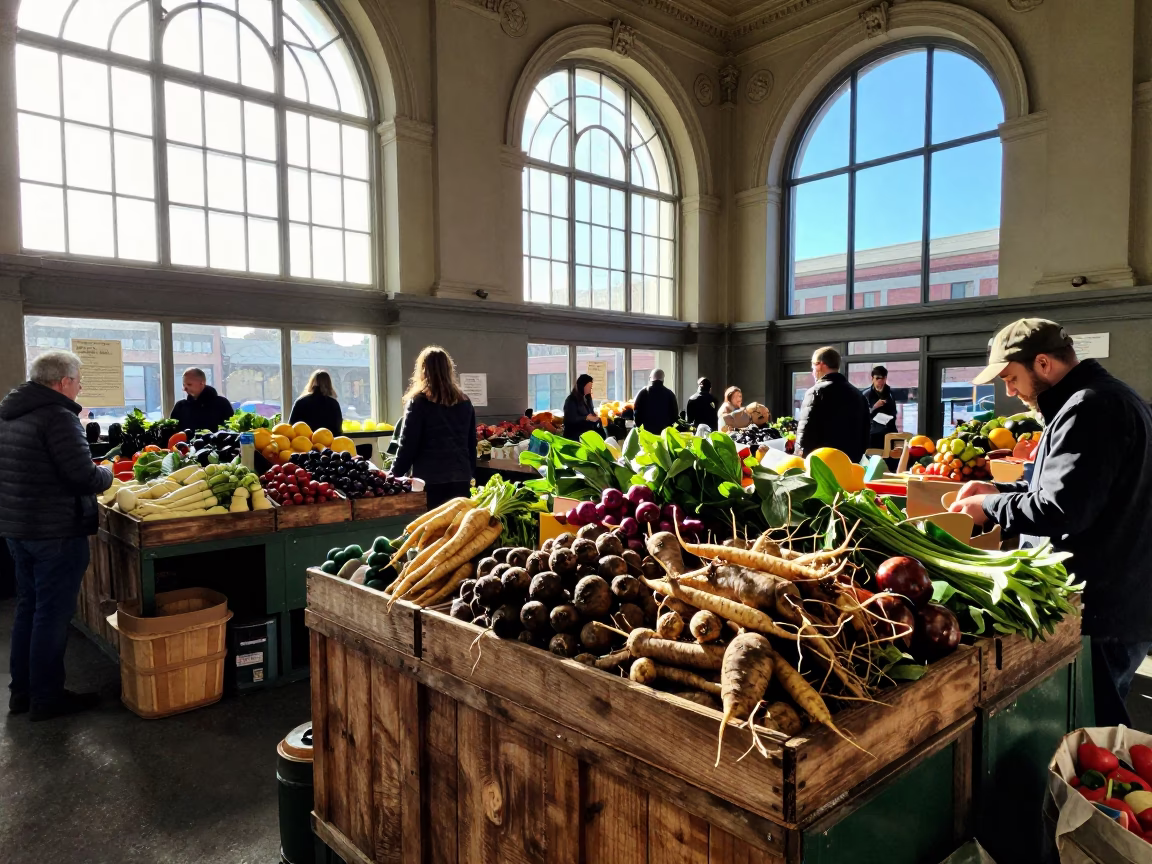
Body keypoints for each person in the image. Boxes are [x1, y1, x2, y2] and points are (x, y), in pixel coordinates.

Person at [948, 318, 1152, 728]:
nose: (1010, 391)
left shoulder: (1089, 408)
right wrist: (998, 492)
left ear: (1042, 364)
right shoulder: (1110, 398)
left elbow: (1064, 510)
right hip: (1124, 596)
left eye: (1011, 378)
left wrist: (989, 508)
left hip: (1101, 608)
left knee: (1095, 732)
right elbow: (1078, 489)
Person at [0, 351, 112, 720]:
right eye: (79, 380)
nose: (80, 387)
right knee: (51, 615)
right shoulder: (59, 417)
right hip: (55, 531)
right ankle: (47, 699)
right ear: (63, 381)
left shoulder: (12, 411)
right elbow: (82, 476)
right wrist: (108, 474)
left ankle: (23, 694)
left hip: (19, 527)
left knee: (29, 609)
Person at [391, 347, 477, 511]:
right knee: (457, 531)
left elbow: (407, 446)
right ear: (449, 369)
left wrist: (393, 477)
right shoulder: (465, 401)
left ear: (423, 370)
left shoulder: (418, 402)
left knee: (431, 532)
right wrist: (470, 474)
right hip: (460, 478)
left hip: (429, 481)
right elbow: (471, 444)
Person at [796, 346, 869, 462]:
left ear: (820, 365)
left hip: (822, 464)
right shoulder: (859, 395)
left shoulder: (815, 392)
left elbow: (805, 435)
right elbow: (865, 435)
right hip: (850, 464)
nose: (813, 372)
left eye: (813, 367)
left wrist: (799, 458)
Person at [633, 369, 679, 434]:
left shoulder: (643, 392)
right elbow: (674, 415)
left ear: (650, 378)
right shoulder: (669, 394)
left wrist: (640, 427)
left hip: (646, 432)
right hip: (663, 432)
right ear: (663, 379)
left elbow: (636, 412)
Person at [864, 365, 898, 451]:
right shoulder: (866, 395)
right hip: (873, 433)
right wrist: (875, 407)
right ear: (872, 378)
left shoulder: (890, 393)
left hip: (889, 431)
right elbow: (862, 414)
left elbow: (894, 412)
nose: (880, 381)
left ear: (885, 378)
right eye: (877, 378)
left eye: (882, 379)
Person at [563, 374, 603, 441]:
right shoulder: (571, 400)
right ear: (582, 386)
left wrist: (594, 417)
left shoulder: (588, 398)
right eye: (589, 387)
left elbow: (590, 412)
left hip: (587, 434)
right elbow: (569, 419)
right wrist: (586, 418)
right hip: (575, 436)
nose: (590, 389)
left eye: (591, 387)